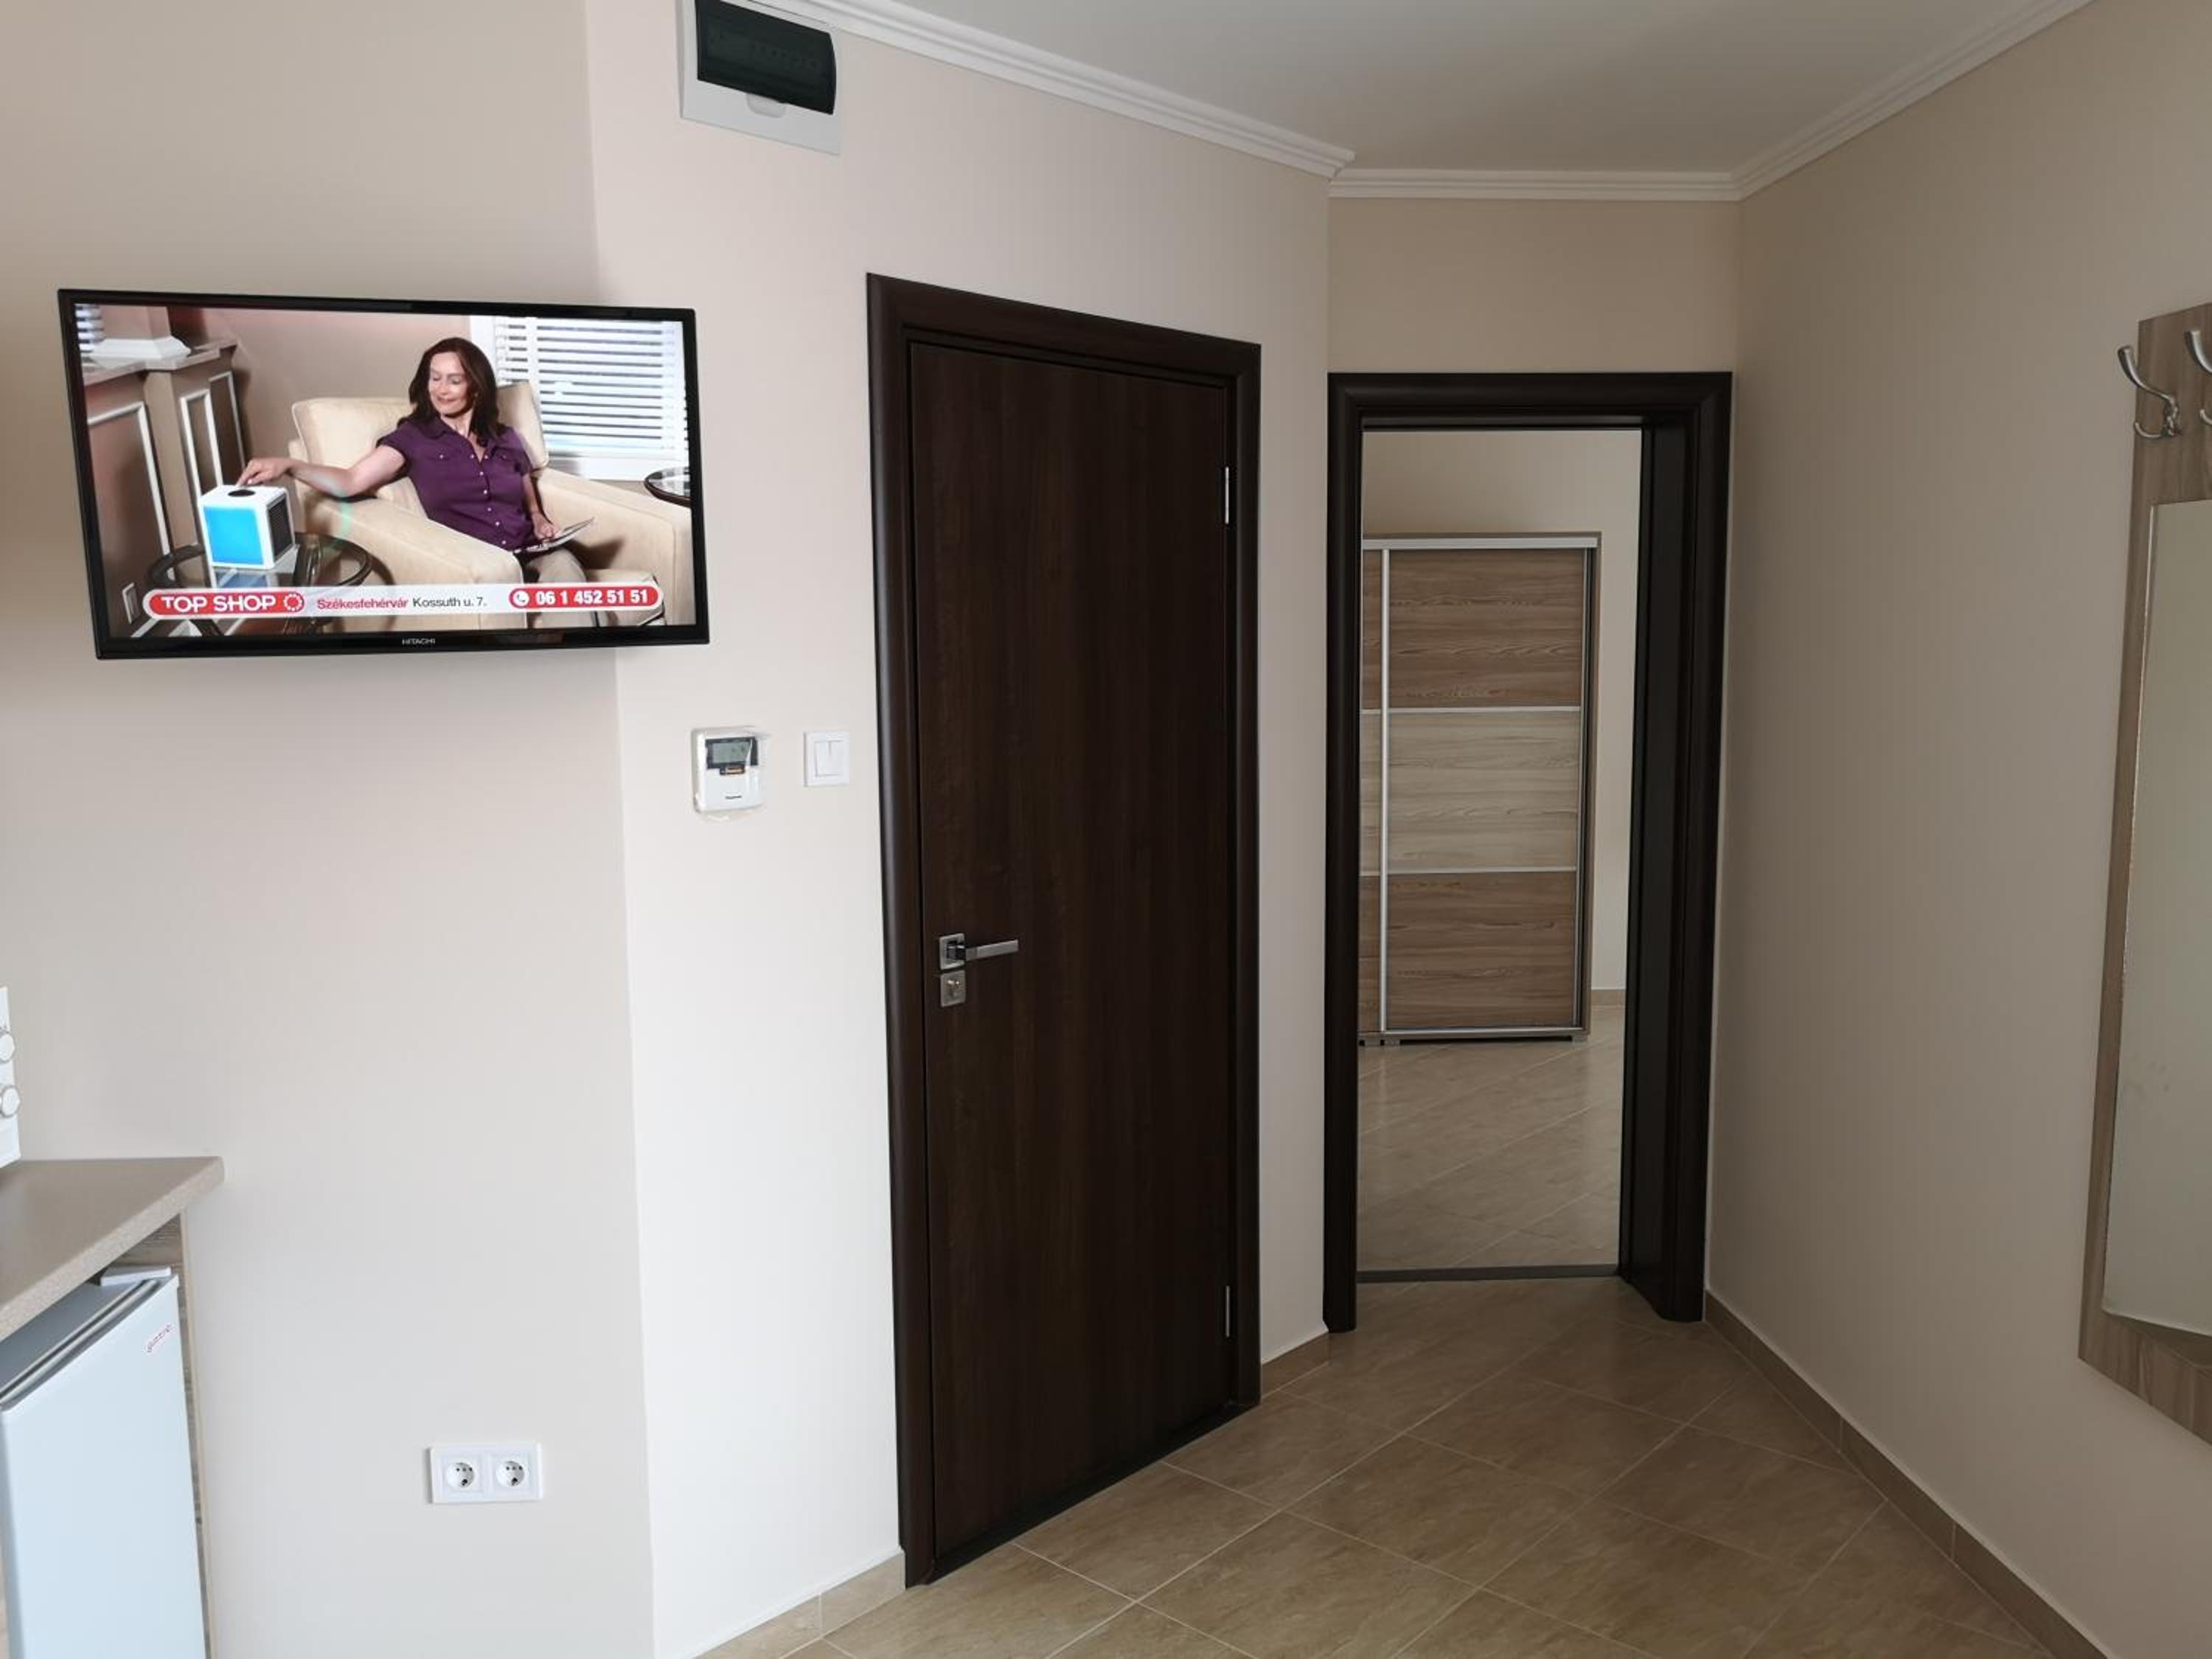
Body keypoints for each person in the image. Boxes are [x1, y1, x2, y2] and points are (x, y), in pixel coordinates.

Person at [239, 336, 594, 608]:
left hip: (534, 552)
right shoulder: (414, 438)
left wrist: (538, 518)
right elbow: (350, 482)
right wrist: (289, 466)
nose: (440, 389)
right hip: (484, 570)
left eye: (453, 380)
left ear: (476, 387)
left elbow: (524, 485)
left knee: (567, 571)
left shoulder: (506, 437)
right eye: (434, 378)